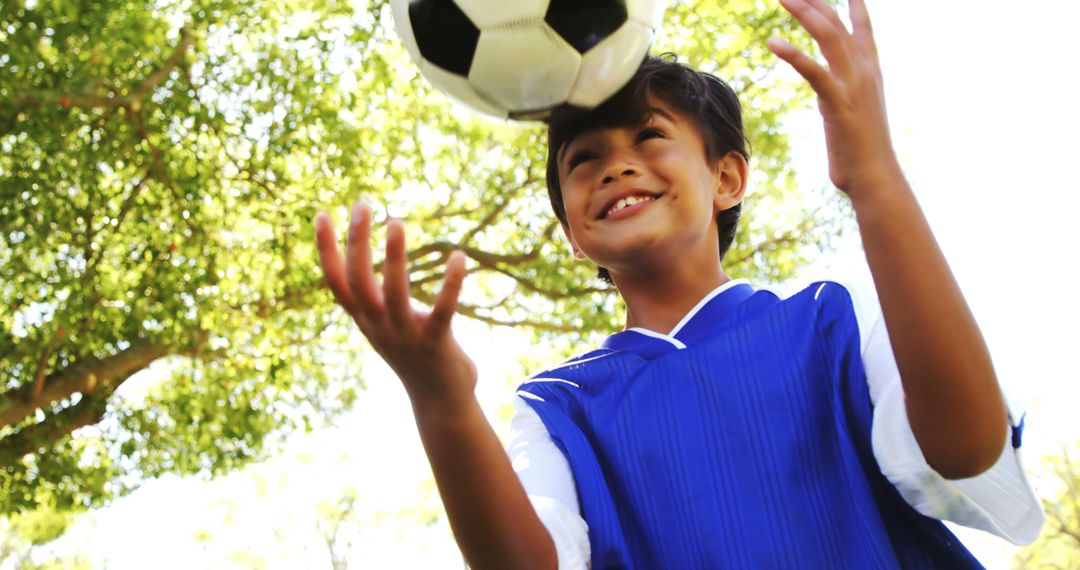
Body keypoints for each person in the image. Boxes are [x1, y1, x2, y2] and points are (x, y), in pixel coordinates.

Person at [313, 0, 1043, 567]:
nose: (616, 165)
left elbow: (967, 448)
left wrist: (876, 180)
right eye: (583, 159)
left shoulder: (829, 325)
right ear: (573, 232)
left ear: (726, 178)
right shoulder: (559, 411)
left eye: (649, 136)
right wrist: (441, 402)